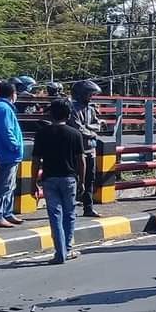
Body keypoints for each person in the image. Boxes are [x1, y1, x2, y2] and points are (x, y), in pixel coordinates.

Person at [30, 99, 86, 264]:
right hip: (69, 179)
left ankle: (59, 251)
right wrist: (82, 181)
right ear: (68, 115)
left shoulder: (41, 133)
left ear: (50, 114)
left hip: (49, 179)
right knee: (69, 214)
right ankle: (68, 248)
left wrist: (33, 182)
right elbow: (81, 161)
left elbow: (35, 160)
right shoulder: (75, 134)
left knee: (55, 216)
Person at [0, 81, 25, 228]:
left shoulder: (1, 107)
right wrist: (14, 146)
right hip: (7, 153)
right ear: (12, 94)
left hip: (7, 153)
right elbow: (7, 131)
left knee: (9, 185)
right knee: (3, 186)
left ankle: (7, 212)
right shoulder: (4, 109)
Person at [68, 80, 102, 217]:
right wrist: (92, 132)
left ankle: (88, 207)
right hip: (77, 150)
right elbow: (78, 129)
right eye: (89, 94)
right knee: (75, 179)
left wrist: (90, 129)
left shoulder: (91, 109)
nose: (91, 97)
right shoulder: (73, 109)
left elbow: (97, 125)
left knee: (90, 179)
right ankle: (72, 207)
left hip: (90, 150)